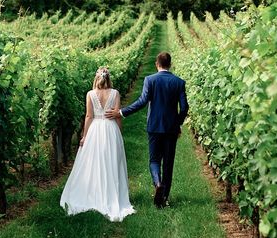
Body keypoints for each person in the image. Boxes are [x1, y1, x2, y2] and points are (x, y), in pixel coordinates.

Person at [105, 52, 189, 208]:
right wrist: (177, 124)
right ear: (170, 64)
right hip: (171, 128)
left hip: (154, 127)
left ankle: (157, 183)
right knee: (168, 163)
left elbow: (142, 101)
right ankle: (164, 198)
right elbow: (184, 108)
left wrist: (121, 112)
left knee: (154, 160)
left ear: (157, 64)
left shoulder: (150, 80)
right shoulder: (179, 82)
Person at [60, 67, 135, 222]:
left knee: (93, 162)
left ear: (96, 78)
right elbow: (117, 116)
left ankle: (94, 193)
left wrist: (84, 136)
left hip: (95, 129)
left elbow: (89, 116)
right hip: (110, 128)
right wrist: (119, 134)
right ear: (108, 78)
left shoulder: (90, 94)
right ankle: (110, 194)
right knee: (111, 162)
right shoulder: (115, 93)